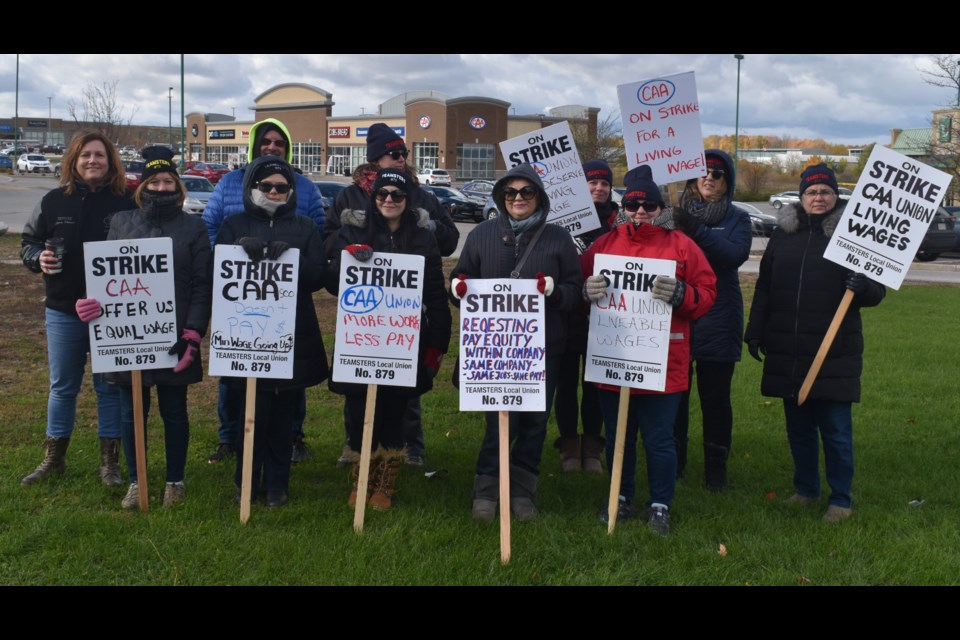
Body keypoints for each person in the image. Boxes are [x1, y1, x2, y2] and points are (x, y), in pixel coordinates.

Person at [744, 163, 885, 523]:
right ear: (801, 197)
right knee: (799, 429)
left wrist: (863, 285)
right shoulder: (782, 236)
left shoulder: (854, 235)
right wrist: (755, 330)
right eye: (811, 191)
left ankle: (841, 499)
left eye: (825, 191)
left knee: (836, 431)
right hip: (790, 349)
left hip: (833, 350)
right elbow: (765, 288)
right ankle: (806, 490)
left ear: (835, 196)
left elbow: (876, 292)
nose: (818, 197)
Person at [74, 146, 211, 509]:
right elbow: (104, 274)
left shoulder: (194, 227)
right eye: (155, 181)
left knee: (174, 411)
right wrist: (89, 300)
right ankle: (136, 481)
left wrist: (193, 334)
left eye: (168, 180)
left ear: (178, 186)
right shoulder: (121, 223)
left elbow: (202, 285)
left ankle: (174, 482)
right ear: (143, 185)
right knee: (131, 410)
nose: (162, 187)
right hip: (126, 338)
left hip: (175, 338)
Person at [581, 165, 716, 535]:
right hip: (614, 357)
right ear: (623, 206)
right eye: (634, 204)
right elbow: (578, 290)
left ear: (661, 208)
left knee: (659, 439)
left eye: (650, 205)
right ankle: (619, 499)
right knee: (618, 435)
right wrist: (585, 292)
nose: (641, 211)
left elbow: (707, 294)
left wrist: (681, 294)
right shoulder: (603, 246)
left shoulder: (682, 246)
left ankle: (660, 504)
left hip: (662, 361)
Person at [450, 163, 583, 521]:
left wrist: (554, 292)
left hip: (544, 350)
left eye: (527, 192)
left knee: (535, 423)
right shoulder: (481, 235)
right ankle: (487, 488)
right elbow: (461, 277)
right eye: (511, 192)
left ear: (539, 196)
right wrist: (457, 287)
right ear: (501, 197)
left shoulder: (557, 238)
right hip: (495, 349)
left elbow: (576, 292)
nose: (518, 198)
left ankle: (523, 489)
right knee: (498, 421)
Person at [324, 123, 459, 469]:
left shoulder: (422, 194)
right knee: (359, 396)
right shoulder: (349, 195)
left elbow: (448, 241)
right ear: (376, 159)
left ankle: (405, 452)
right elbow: (327, 249)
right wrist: (347, 235)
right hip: (365, 323)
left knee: (403, 395)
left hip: (404, 321)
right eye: (394, 153)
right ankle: (356, 453)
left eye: (404, 154)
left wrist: (428, 223)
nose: (401, 159)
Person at [202, 118, 325, 465]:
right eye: (266, 141)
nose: (272, 147)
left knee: (289, 369)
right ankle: (230, 437)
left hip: (286, 296)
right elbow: (210, 226)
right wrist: (231, 257)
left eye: (279, 143)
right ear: (255, 145)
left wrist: (295, 257)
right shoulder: (228, 183)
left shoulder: (304, 186)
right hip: (238, 291)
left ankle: (292, 435)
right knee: (235, 365)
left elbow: (317, 228)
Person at [19, 132, 136, 488]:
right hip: (63, 309)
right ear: (73, 159)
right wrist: (37, 257)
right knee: (62, 387)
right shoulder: (53, 201)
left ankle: (110, 464)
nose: (92, 161)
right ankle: (54, 458)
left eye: (99, 155)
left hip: (112, 313)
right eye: (85, 155)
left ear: (110, 160)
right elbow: (29, 241)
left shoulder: (129, 201)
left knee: (110, 387)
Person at [214, 156, 329, 508]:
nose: (275, 192)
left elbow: (318, 278)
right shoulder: (233, 224)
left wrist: (292, 259)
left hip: (291, 337)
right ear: (253, 188)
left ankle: (278, 484)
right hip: (246, 338)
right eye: (267, 186)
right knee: (251, 415)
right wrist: (238, 249)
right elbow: (217, 269)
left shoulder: (305, 226)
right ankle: (245, 482)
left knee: (282, 420)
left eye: (282, 187)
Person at [671, 150, 752, 490]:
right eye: (702, 172)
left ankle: (716, 470)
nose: (709, 178)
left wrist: (698, 232)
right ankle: (674, 464)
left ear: (727, 183)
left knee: (715, 400)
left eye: (717, 174)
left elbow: (733, 256)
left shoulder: (737, 219)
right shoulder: (673, 216)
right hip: (676, 316)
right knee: (674, 398)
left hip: (718, 318)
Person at [554, 159, 618, 473]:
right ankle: (568, 446)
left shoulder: (619, 222)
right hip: (567, 314)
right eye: (593, 183)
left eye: (604, 183)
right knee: (565, 385)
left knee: (595, 385)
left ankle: (592, 447)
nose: (599, 188)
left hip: (604, 317)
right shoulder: (561, 220)